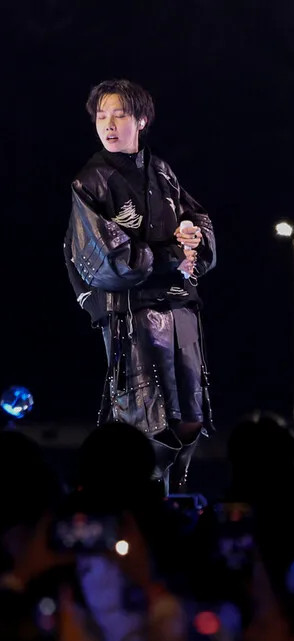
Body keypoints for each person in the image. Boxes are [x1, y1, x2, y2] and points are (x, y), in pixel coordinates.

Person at [64, 79, 215, 493]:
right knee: (146, 416)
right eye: (102, 116)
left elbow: (197, 219)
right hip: (133, 312)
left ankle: (174, 497)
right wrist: (170, 257)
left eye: (119, 115)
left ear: (142, 120)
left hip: (180, 305)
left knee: (191, 416)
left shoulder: (162, 171)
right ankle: (139, 499)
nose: (109, 125)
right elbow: (102, 257)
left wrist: (192, 236)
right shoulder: (91, 181)